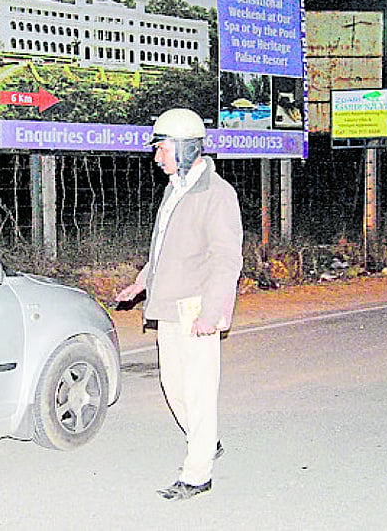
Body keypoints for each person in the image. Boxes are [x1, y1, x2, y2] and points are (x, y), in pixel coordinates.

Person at [115, 108, 243, 500]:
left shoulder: (217, 195)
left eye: (163, 147)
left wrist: (212, 311)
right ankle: (207, 439)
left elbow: (227, 258)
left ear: (186, 149)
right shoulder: (176, 189)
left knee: (199, 388)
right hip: (167, 303)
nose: (157, 156)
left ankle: (197, 473)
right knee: (173, 385)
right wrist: (140, 284)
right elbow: (165, 249)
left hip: (195, 305)